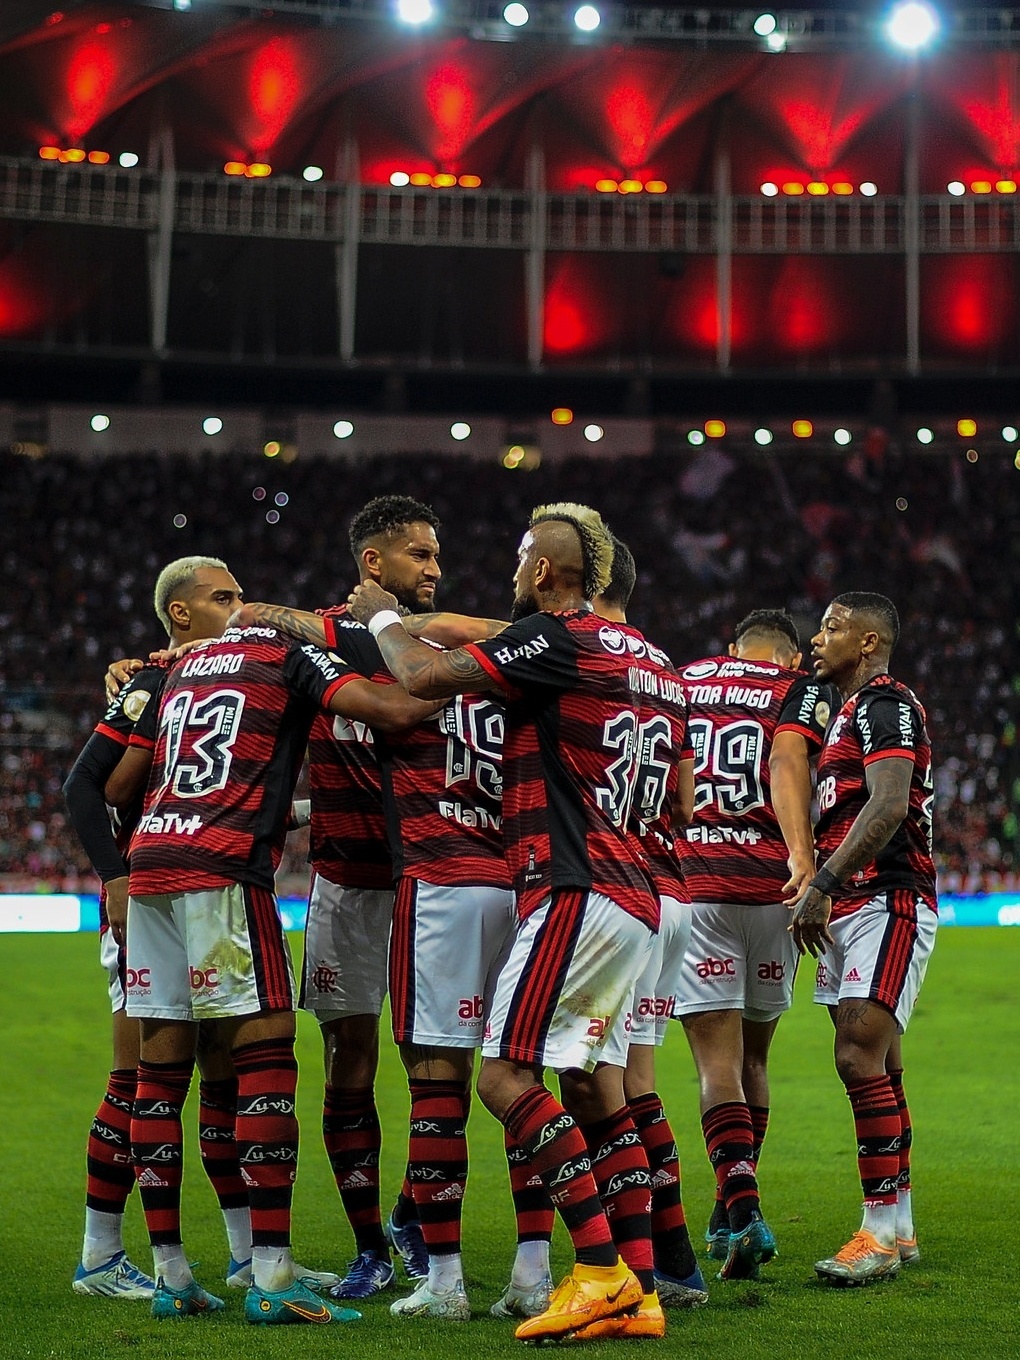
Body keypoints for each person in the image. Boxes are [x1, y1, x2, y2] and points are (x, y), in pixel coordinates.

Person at [348, 503, 689, 1343]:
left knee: (502, 1080)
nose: (509, 570)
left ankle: (601, 1269)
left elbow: (423, 681)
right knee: (596, 1088)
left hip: (574, 888)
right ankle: (640, 1288)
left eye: (518, 557)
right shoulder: (657, 661)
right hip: (636, 892)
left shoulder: (559, 639)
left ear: (544, 571)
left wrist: (380, 616)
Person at [123, 620, 442, 1323]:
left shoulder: (188, 662)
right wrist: (445, 685)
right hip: (223, 863)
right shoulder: (291, 654)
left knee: (160, 1072)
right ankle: (272, 1277)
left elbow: (119, 778)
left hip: (153, 857)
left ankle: (171, 1277)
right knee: (267, 1053)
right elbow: (391, 710)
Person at [63, 556, 250, 1299]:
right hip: (151, 902)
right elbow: (85, 784)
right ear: (180, 613)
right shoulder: (151, 681)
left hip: (207, 897)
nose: (241, 607)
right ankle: (101, 1257)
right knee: (137, 1076)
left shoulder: (229, 676)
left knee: (225, 1077)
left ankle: (243, 1255)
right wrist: (115, 876)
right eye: (223, 597)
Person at [675, 609, 832, 1280]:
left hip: (696, 882)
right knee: (755, 1060)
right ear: (792, 658)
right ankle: (729, 1207)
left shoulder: (684, 681)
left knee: (716, 1065)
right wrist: (805, 856)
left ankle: (739, 1210)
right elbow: (796, 767)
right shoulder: (795, 691)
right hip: (774, 888)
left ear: (731, 648)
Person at [790, 592, 937, 1286]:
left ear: (871, 641)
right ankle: (900, 1226)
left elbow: (888, 803)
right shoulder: (848, 711)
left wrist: (819, 884)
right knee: (881, 1065)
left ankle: (876, 1231)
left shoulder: (887, 702)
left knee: (856, 1057)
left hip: (886, 895)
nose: (819, 638)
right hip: (853, 903)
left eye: (833, 626)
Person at [591, 538, 708, 1311]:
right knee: (638, 1082)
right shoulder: (664, 668)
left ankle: (629, 1273)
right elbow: (689, 801)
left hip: (614, 887)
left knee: (600, 1085)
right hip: (670, 888)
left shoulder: (578, 658)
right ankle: (678, 1263)